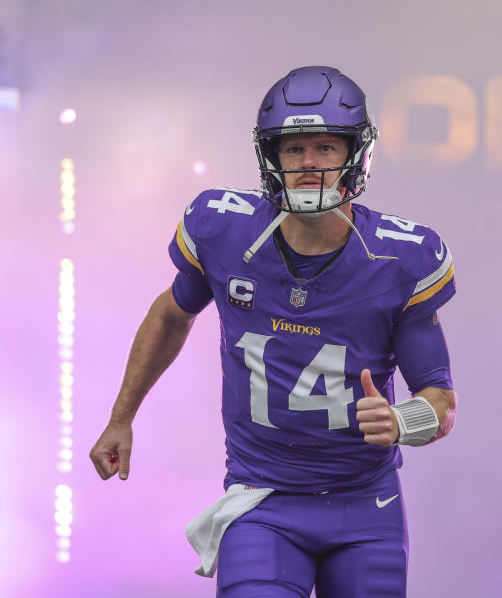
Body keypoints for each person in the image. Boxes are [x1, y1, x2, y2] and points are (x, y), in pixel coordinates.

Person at [89, 65, 457, 597]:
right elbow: (172, 314)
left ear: (356, 154)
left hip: (365, 506)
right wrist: (121, 417)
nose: (308, 163)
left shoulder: (400, 257)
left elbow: (441, 399)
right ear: (271, 157)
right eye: (293, 148)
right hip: (262, 499)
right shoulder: (224, 228)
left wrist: (403, 420)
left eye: (326, 147)